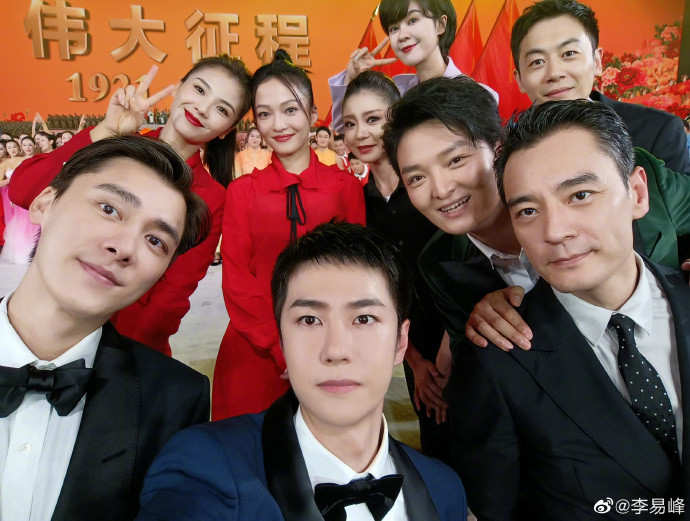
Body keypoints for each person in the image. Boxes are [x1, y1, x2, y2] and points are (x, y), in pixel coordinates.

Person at [450, 100, 689, 520]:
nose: (555, 231)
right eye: (528, 211)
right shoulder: (499, 362)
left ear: (637, 193)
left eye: (580, 195)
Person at [136, 222, 467, 521]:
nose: (336, 350)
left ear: (400, 341)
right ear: (282, 340)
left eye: (364, 319)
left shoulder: (445, 489)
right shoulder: (204, 467)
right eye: (309, 320)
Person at [382, 78, 690, 356]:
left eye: (456, 160)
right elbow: (473, 361)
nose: (441, 189)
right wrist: (481, 329)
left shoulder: (615, 177)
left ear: (498, 151)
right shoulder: (438, 263)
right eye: (417, 178)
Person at [0, 135, 211, 521]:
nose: (125, 247)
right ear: (44, 204)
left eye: (155, 241)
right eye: (109, 209)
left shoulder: (174, 400)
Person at [9, 58, 253, 355]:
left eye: (221, 109)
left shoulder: (211, 197)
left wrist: (117, 358)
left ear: (227, 130)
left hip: (123, 342)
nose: (202, 108)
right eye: (200, 90)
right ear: (178, 88)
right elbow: (24, 191)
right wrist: (107, 130)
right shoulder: (114, 145)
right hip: (45, 320)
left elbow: (171, 296)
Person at [214, 51, 366, 420]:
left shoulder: (345, 187)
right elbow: (236, 280)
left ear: (313, 115)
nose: (278, 124)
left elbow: (358, 275)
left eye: (290, 110)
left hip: (329, 347)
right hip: (254, 350)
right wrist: (279, 345)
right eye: (265, 114)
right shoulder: (242, 192)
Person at [342, 70, 450, 463]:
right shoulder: (358, 204)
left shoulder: (434, 188)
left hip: (466, 337)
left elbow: (467, 270)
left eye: (373, 119)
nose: (361, 133)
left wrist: (444, 357)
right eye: (350, 124)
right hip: (413, 350)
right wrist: (416, 362)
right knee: (437, 450)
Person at [511, 0, 690, 175]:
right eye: (537, 62)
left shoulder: (658, 131)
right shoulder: (511, 150)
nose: (555, 73)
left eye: (569, 53)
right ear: (519, 80)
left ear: (597, 62)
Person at [330, 0, 469, 132]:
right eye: (394, 28)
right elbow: (345, 126)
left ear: (440, 25)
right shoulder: (399, 91)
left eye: (413, 20)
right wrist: (350, 78)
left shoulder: (471, 94)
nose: (402, 36)